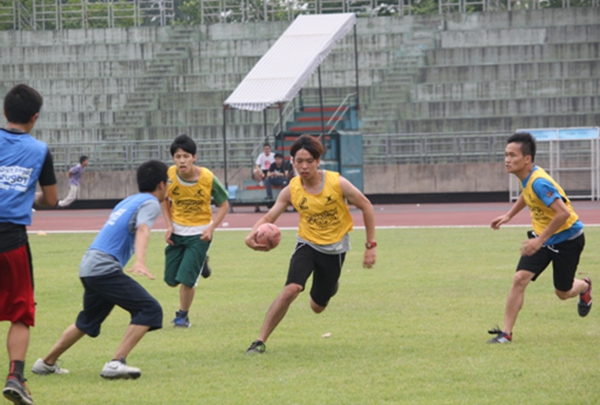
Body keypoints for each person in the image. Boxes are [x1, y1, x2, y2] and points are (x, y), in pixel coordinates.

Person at [30, 160, 168, 379]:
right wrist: (140, 261)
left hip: (90, 265)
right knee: (150, 309)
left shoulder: (128, 201)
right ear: (162, 184)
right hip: (104, 267)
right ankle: (116, 363)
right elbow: (143, 228)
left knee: (88, 320)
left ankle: (46, 363)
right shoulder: (150, 202)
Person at [244, 134, 377, 355]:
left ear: (317, 162)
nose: (304, 166)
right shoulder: (292, 189)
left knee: (317, 307)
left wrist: (370, 246)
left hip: (334, 249)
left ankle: (331, 286)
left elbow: (367, 206)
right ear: (292, 162)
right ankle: (259, 341)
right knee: (291, 289)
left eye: (309, 161)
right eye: (299, 161)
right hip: (307, 244)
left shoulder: (337, 183)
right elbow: (268, 218)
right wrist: (251, 235)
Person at [487, 132, 592, 344]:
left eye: (512, 155)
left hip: (568, 241)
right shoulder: (526, 178)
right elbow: (527, 195)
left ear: (527, 159)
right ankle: (506, 334)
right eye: (506, 155)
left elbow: (563, 214)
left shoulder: (540, 182)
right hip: (544, 239)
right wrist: (509, 215)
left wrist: (539, 240)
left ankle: (584, 286)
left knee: (562, 292)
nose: (507, 160)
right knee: (519, 279)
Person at [1, 84, 58, 405]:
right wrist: (24, 195)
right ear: (35, 117)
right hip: (11, 240)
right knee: (20, 311)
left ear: (5, 112)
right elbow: (50, 199)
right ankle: (15, 376)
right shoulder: (39, 150)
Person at [161, 134, 229, 328]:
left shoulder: (207, 178)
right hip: (177, 231)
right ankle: (202, 264)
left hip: (200, 234)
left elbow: (224, 205)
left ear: (194, 157)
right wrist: (168, 225)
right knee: (171, 280)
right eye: (178, 156)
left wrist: (211, 228)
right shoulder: (169, 176)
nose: (182, 160)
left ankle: (182, 316)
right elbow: (164, 200)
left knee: (187, 279)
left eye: (186, 156)